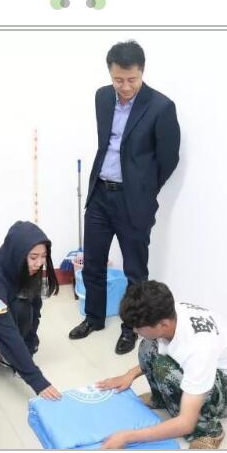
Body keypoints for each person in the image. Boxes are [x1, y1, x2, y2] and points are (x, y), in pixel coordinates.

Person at [69, 40, 181, 355]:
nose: (125, 86)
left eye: (132, 79)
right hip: (100, 193)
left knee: (135, 271)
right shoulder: (103, 97)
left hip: (134, 202)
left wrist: (144, 189)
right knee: (92, 262)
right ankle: (93, 318)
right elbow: (107, 143)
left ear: (142, 72)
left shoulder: (161, 107)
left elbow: (169, 158)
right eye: (118, 79)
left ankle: (130, 329)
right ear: (110, 74)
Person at [96, 281, 227, 450]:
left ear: (163, 324)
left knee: (165, 369)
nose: (135, 331)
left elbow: (186, 423)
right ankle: (160, 399)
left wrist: (128, 437)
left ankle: (209, 432)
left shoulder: (198, 349)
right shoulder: (168, 312)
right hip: (207, 369)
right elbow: (165, 349)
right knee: (148, 345)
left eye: (138, 328)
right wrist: (129, 375)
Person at [0, 221, 62, 400]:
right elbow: (6, 331)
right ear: (18, 254)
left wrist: (29, 346)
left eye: (43, 256)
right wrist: (37, 380)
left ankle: (10, 356)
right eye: (33, 257)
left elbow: (35, 309)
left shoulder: (28, 269)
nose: (39, 263)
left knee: (24, 304)